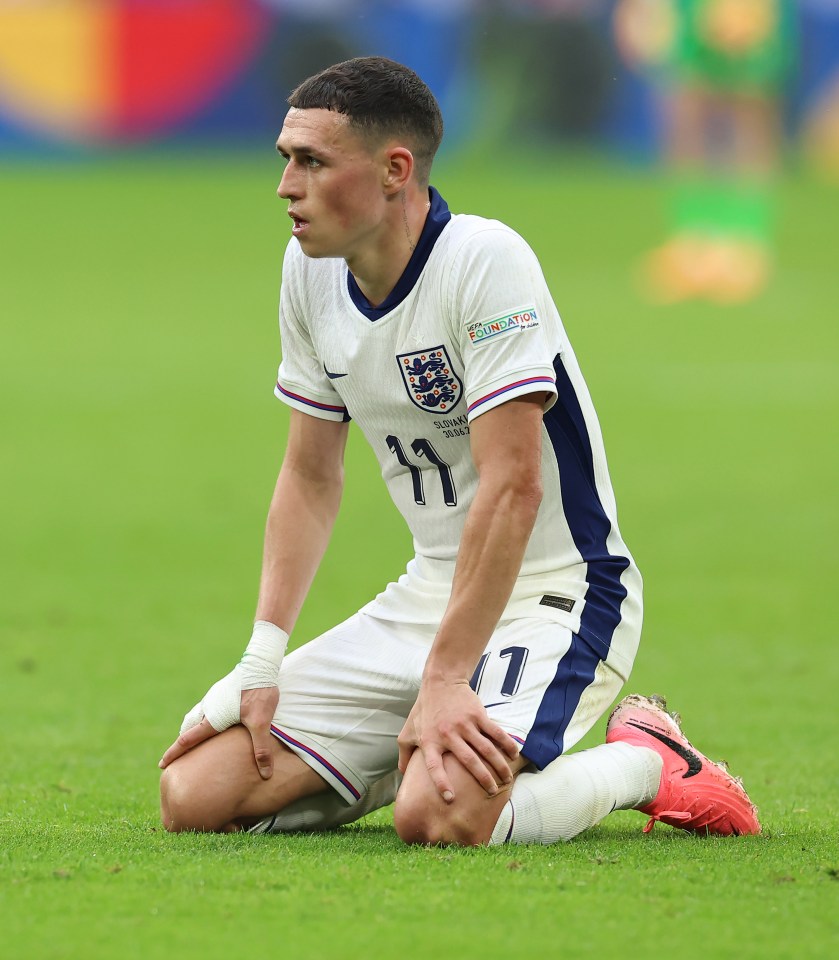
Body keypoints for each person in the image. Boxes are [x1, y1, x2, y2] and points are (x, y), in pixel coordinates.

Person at [158, 56, 759, 844]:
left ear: (393, 171)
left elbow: (514, 488)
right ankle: (404, 758)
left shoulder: (484, 260)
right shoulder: (307, 273)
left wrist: (446, 677)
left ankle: (645, 762)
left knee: (439, 819)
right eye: (285, 160)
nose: (285, 185)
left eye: (311, 162)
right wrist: (261, 659)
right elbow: (309, 475)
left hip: (557, 595)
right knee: (194, 795)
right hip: (426, 596)